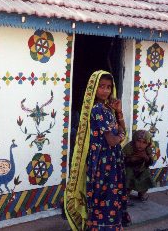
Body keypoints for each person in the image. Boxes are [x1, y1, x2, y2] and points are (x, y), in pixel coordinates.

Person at [64, 70, 130, 231]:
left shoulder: (109, 109)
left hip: (112, 160)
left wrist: (119, 112)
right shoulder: (98, 110)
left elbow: (122, 131)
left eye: (109, 87)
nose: (106, 90)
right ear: (93, 88)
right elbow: (112, 139)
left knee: (109, 194)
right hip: (104, 161)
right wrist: (121, 134)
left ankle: (107, 226)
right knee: (105, 195)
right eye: (101, 87)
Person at [122, 130, 155, 202]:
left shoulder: (148, 149)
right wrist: (131, 159)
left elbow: (150, 162)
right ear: (134, 140)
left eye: (144, 142)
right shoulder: (129, 147)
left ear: (148, 144)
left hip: (142, 169)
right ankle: (126, 197)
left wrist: (146, 157)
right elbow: (121, 160)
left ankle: (141, 194)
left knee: (145, 180)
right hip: (129, 169)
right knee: (128, 181)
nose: (140, 144)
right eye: (139, 141)